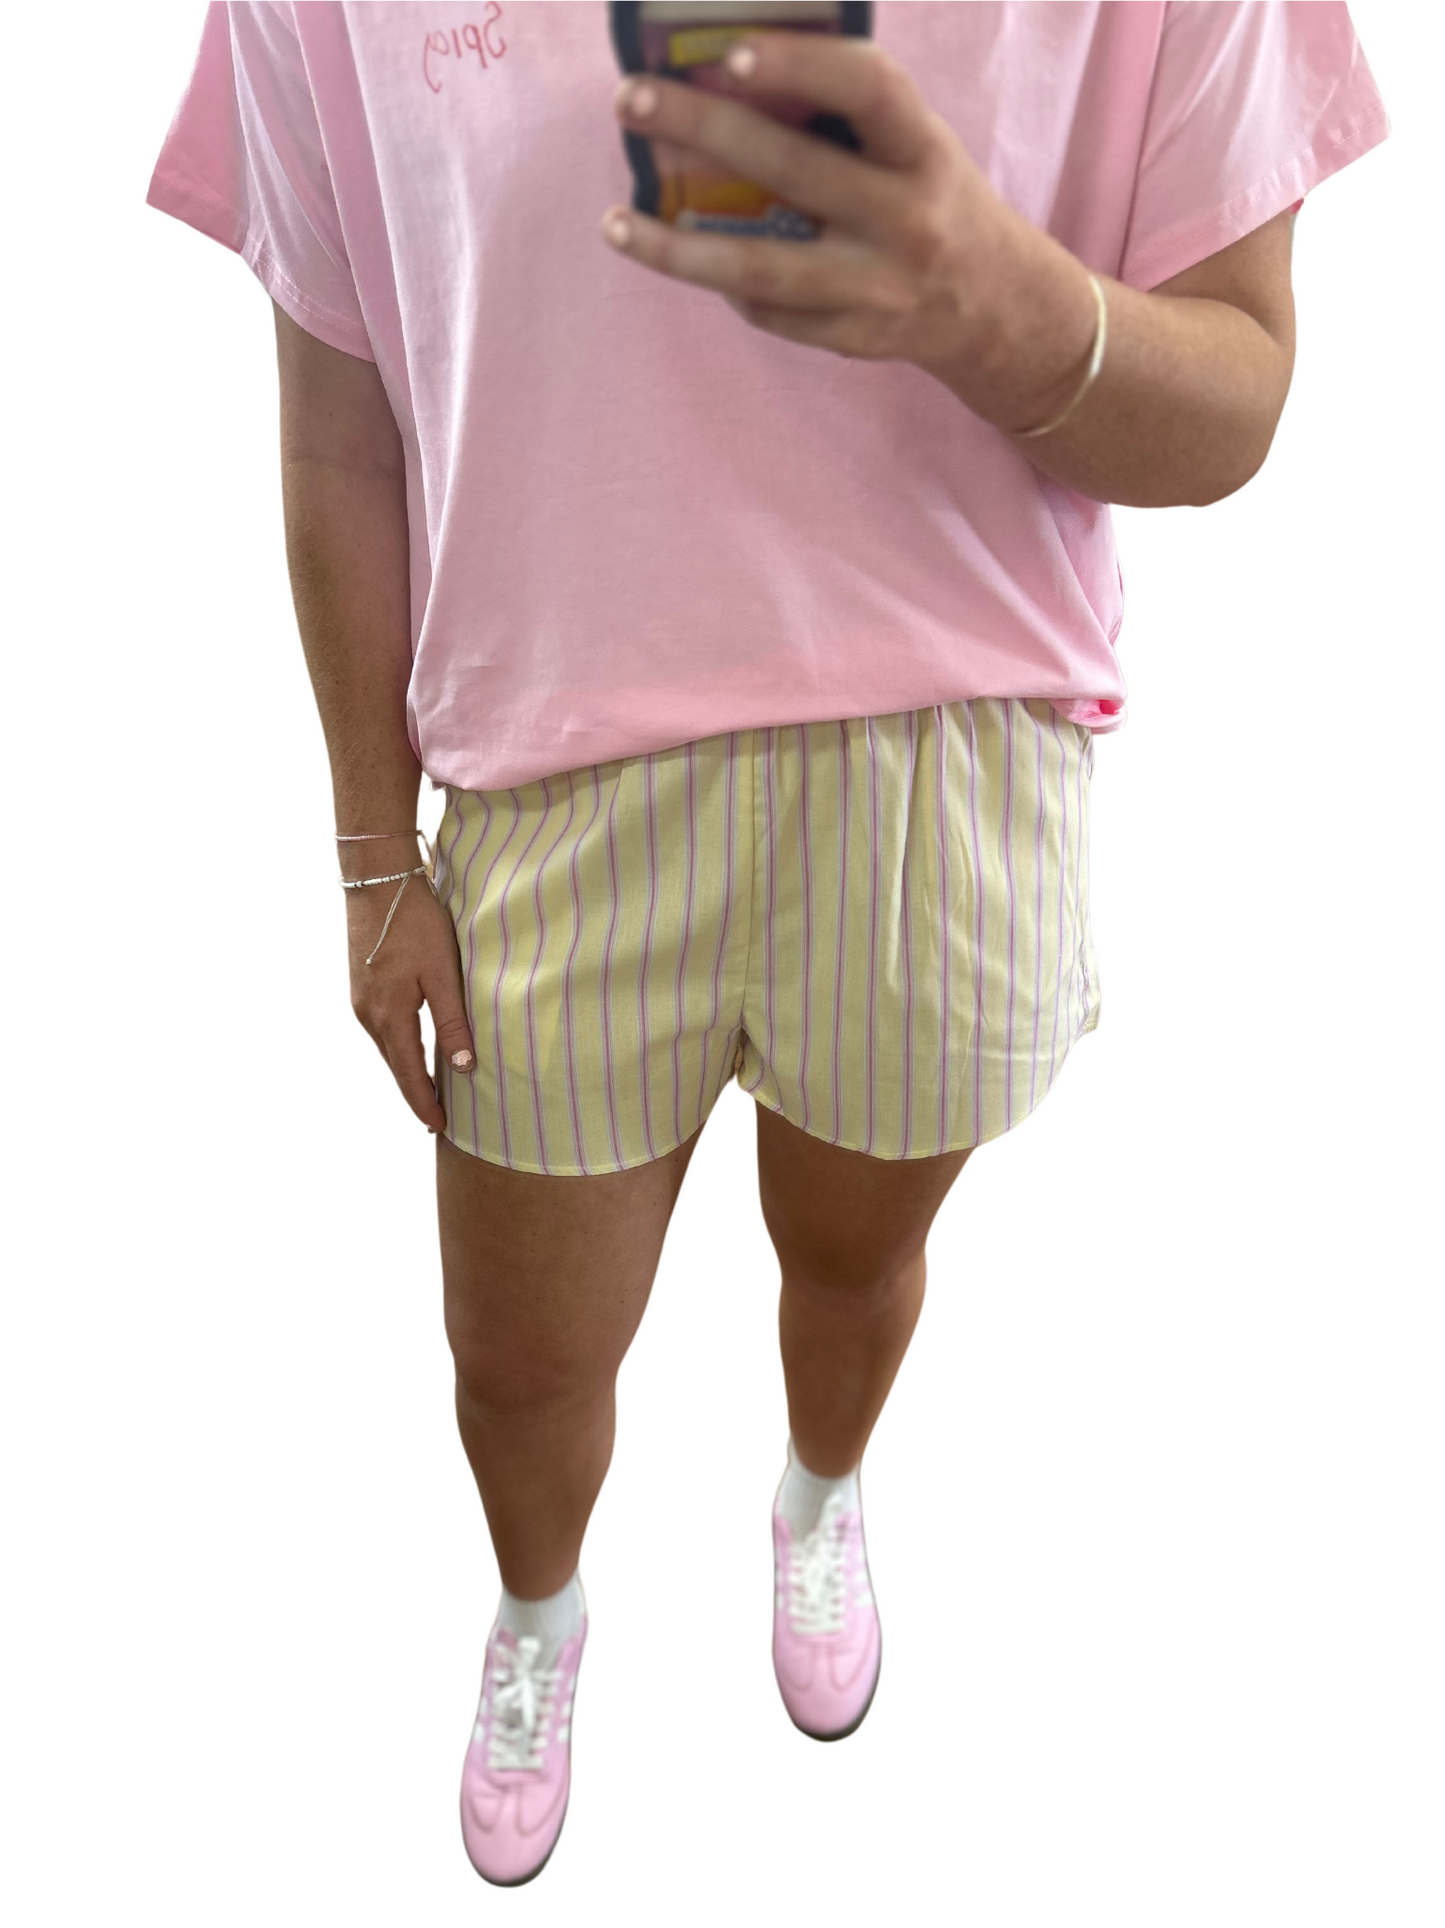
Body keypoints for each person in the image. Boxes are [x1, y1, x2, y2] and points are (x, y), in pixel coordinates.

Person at [147, 0, 1388, 1888]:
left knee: (852, 1262)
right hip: (548, 782)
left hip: (940, 763)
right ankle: (540, 1611)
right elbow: (342, 435)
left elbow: (1241, 391)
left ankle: (820, 1492)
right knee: (522, 1362)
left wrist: (1000, 304)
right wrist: (368, 855)